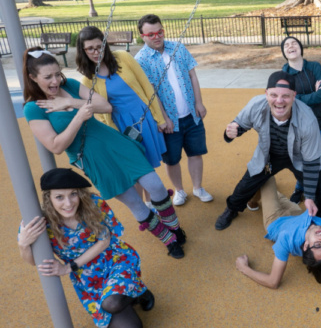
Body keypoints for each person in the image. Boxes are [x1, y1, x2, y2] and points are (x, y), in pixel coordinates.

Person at [22, 48, 186, 258]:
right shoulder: (33, 108)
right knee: (134, 202)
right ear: (33, 78)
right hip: (94, 159)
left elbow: (105, 106)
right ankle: (168, 239)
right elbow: (55, 146)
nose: (55, 81)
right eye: (48, 77)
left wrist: (70, 102)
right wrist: (79, 116)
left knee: (155, 185)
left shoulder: (69, 86)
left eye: (57, 74)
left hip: (115, 143)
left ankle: (174, 226)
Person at [18, 168, 154, 328]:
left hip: (115, 260)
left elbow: (105, 240)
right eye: (59, 197)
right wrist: (24, 245)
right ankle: (130, 294)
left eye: (73, 194)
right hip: (89, 279)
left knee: (111, 303)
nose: (68, 203)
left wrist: (68, 267)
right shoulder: (42, 223)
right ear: (48, 198)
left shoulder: (93, 203)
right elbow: (34, 262)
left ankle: (136, 292)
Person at [215, 70, 321, 230]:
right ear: (266, 94)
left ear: (294, 95)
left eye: (285, 96)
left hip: (299, 157)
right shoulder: (256, 105)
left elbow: (312, 163)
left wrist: (310, 196)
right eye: (274, 95)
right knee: (245, 185)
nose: (279, 101)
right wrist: (230, 133)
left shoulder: (308, 118)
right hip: (269, 155)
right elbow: (239, 125)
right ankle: (232, 209)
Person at [76, 26, 167, 207]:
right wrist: (114, 137)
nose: (96, 52)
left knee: (147, 166)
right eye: (90, 49)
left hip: (143, 118)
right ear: (83, 51)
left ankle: (152, 201)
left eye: (99, 46)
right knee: (134, 168)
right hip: (122, 125)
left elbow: (146, 87)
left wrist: (160, 118)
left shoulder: (123, 58)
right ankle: (146, 205)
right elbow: (101, 115)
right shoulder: (88, 80)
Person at [135, 14, 212, 207]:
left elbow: (192, 75)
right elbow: (150, 92)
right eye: (151, 34)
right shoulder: (142, 60)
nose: (157, 36)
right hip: (170, 121)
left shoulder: (177, 48)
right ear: (142, 36)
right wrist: (164, 118)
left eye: (159, 31)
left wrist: (199, 103)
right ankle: (179, 190)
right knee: (172, 159)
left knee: (196, 153)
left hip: (191, 115)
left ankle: (198, 187)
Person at [235, 177, 321, 288]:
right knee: (276, 195)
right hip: (297, 213)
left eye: (317, 245)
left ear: (306, 245)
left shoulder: (286, 239)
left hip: (275, 220)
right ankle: (264, 193)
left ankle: (252, 200)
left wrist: (244, 268)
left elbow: (273, 282)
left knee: (266, 177)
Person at [280, 36, 321, 215]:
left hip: (320, 122)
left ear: (300, 47)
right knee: (303, 163)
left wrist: (298, 98)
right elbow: (288, 101)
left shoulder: (314, 67)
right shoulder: (284, 74)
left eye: (294, 43)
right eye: (286, 45)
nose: (290, 46)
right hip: (299, 126)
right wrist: (308, 96)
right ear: (284, 53)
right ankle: (299, 188)